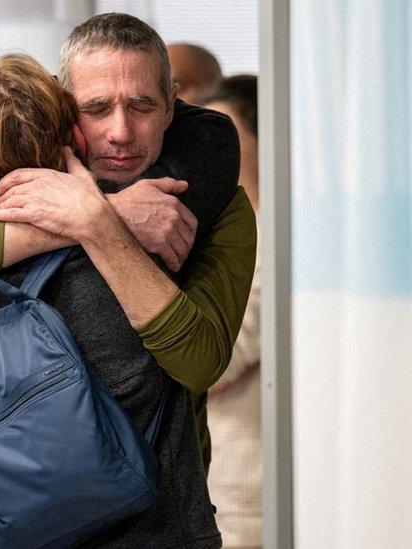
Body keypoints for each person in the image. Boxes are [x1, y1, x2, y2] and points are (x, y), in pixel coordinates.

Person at [0, 14, 256, 548]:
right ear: (65, 110)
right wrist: (99, 214)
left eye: (142, 106)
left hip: (154, 523)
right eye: (96, 109)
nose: (120, 131)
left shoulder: (213, 207)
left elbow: (200, 360)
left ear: (172, 106)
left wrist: (96, 222)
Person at [200, 74, 262, 548]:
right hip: (209, 483)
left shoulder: (275, 241)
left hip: (248, 493)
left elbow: (212, 363)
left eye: (228, 132)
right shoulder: (211, 235)